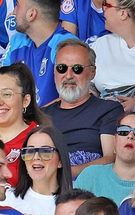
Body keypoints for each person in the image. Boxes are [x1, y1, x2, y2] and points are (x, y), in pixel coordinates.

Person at [43, 39, 122, 175]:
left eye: (77, 69)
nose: (68, 75)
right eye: (61, 68)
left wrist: (68, 173)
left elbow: (111, 159)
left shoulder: (109, 109)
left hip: (87, 184)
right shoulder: (42, 115)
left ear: (92, 73)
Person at [4, 0, 80, 105]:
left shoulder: (67, 46)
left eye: (17, 5)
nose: (14, 11)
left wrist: (33, 119)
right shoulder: (17, 41)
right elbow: (2, 85)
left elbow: (72, 100)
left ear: (31, 14)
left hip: (53, 123)